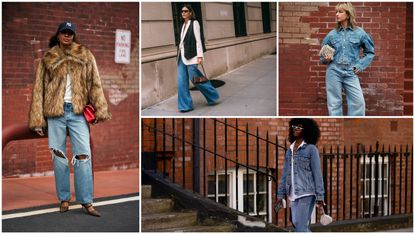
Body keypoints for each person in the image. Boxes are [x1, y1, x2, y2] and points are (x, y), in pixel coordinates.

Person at [29, 21, 111, 217]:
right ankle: (64, 198)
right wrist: (38, 120)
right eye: (64, 32)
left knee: (83, 155)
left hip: (78, 113)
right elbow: (38, 90)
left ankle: (87, 201)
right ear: (58, 35)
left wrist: (100, 109)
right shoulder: (48, 58)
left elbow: (95, 83)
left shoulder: (85, 54)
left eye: (70, 33)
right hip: (55, 114)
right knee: (58, 158)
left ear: (74, 35)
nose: (67, 36)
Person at [320, 2, 375, 116]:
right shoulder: (332, 35)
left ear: (348, 14)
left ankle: (356, 127)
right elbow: (323, 57)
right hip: (334, 71)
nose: (337, 14)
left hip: (350, 71)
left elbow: (370, 52)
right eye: (336, 12)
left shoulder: (360, 33)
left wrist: (359, 66)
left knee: (358, 103)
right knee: (334, 104)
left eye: (340, 12)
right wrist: (327, 58)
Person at [276, 118, 325, 232]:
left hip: (306, 192)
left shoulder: (311, 149)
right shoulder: (289, 151)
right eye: (294, 126)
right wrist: (280, 194)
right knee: (295, 222)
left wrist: (320, 196)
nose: (295, 129)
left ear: (306, 130)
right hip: (292, 193)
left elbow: (317, 174)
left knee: (300, 226)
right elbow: (285, 174)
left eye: (299, 127)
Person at [177, 4, 220, 112]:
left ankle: (212, 95)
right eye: (182, 11)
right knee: (181, 81)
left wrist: (200, 56)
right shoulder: (183, 25)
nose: (183, 13)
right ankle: (185, 106)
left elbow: (198, 40)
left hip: (192, 55)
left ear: (190, 13)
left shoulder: (194, 23)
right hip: (181, 56)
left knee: (195, 79)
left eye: (186, 11)